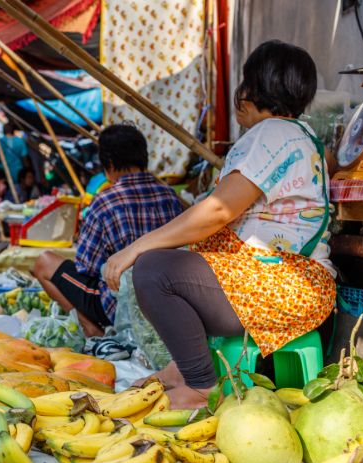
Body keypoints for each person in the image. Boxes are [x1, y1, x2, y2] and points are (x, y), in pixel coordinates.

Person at [102, 40, 336, 408]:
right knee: (166, 263)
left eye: (245, 82)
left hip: (282, 286)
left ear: (256, 89)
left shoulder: (273, 133)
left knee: (152, 270)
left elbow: (217, 212)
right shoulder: (294, 136)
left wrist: (136, 247)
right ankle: (185, 369)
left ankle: (200, 388)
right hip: (288, 284)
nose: (238, 93)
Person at [33, 124, 184, 337]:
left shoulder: (104, 201)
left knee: (44, 263)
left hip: (118, 308)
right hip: (165, 300)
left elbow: (86, 267)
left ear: (109, 164)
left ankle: (91, 329)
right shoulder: (170, 196)